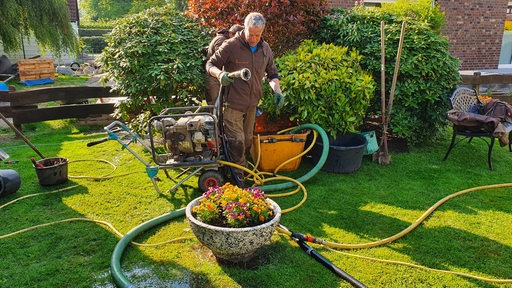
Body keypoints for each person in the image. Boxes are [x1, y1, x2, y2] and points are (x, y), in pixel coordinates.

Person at [206, 12, 284, 186]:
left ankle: (237, 171)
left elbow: (272, 74)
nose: (254, 38)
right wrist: (220, 75)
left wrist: (277, 90)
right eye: (251, 34)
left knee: (247, 141)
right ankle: (239, 181)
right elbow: (210, 64)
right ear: (245, 28)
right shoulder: (231, 46)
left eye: (258, 35)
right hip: (232, 103)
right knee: (237, 142)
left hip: (251, 104)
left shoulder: (265, 49)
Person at [204, 24, 244, 105]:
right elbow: (222, 60)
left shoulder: (222, 39)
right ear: (230, 34)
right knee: (215, 107)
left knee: (219, 106)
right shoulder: (221, 40)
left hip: (217, 78)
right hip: (214, 78)